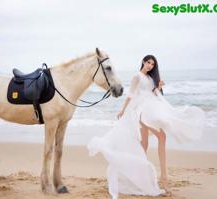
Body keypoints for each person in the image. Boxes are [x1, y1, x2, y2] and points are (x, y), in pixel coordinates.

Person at [87, 55, 205, 199]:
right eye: (148, 62)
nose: (150, 66)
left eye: (152, 64)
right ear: (143, 61)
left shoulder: (150, 79)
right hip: (141, 111)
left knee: (144, 144)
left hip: (151, 107)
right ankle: (164, 177)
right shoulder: (137, 76)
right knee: (161, 136)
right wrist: (123, 110)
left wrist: (159, 87)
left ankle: (137, 176)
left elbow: (154, 94)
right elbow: (130, 95)